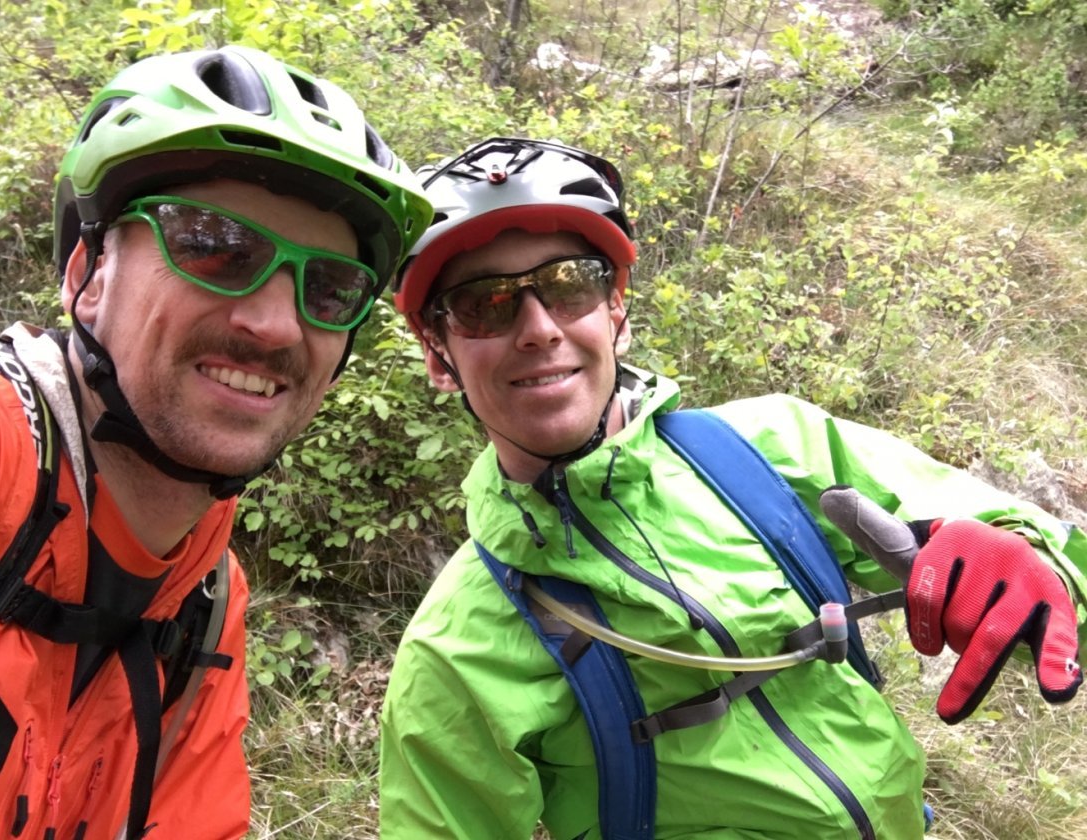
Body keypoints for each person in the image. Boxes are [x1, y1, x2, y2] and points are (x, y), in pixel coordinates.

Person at [379, 136, 1086, 839]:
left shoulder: (768, 448)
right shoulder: (455, 652)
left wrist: (1028, 563)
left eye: (570, 284)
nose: (538, 329)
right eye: (485, 304)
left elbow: (1035, 551)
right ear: (438, 355)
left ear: (615, 309)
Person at [0, 46, 430, 840]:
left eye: (328, 288)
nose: (277, 323)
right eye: (216, 247)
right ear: (91, 271)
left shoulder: (207, 600)